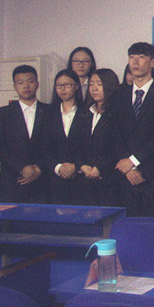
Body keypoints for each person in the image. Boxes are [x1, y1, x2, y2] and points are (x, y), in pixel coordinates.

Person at [108, 42, 154, 218]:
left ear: (152, 62)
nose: (135, 62)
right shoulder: (118, 95)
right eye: (132, 57)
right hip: (125, 175)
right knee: (128, 226)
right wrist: (128, 167)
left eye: (141, 57)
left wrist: (133, 160)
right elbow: (115, 133)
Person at [0, 65, 49, 203]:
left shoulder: (50, 111)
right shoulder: (3, 113)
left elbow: (55, 145)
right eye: (20, 82)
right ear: (15, 87)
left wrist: (39, 169)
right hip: (12, 182)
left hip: (43, 183)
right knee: (10, 218)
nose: (26, 86)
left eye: (30, 81)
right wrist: (21, 168)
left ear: (37, 84)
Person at [78, 68, 121, 206]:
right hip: (86, 179)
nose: (94, 88)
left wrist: (100, 168)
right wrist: (82, 165)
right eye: (91, 84)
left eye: (99, 84)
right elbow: (77, 144)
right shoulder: (86, 112)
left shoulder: (117, 112)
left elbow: (118, 146)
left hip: (109, 180)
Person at [42, 69, 86, 205]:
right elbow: (44, 147)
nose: (62, 89)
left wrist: (76, 166)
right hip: (55, 180)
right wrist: (58, 168)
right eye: (59, 85)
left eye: (67, 85)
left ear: (76, 86)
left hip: (82, 178)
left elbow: (89, 146)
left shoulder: (87, 111)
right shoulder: (48, 113)